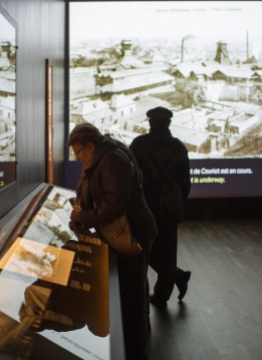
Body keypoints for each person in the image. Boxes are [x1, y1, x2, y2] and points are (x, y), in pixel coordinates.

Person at [68, 123, 157, 360]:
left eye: (79, 152)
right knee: (135, 290)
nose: (77, 158)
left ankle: (136, 350)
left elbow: (115, 201)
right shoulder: (105, 154)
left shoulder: (112, 159)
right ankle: (139, 340)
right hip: (129, 232)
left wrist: (85, 217)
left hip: (133, 234)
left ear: (90, 146)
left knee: (133, 295)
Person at [130, 106, 192, 310]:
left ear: (150, 123)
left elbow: (131, 178)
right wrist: (176, 201)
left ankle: (172, 282)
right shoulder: (179, 147)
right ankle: (166, 290)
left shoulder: (139, 144)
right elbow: (185, 183)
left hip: (146, 206)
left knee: (143, 250)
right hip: (172, 207)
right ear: (169, 123)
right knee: (168, 251)